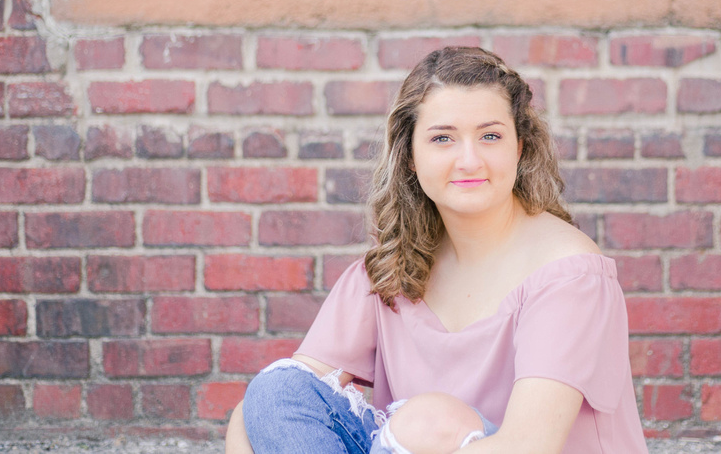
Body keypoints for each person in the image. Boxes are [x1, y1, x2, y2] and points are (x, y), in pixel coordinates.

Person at [225, 47, 648, 454]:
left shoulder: (568, 274)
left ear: (519, 148)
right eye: (443, 137)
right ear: (410, 155)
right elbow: (277, 405)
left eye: (490, 136)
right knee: (272, 393)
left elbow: (528, 446)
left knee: (428, 422)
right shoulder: (393, 266)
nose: (469, 160)